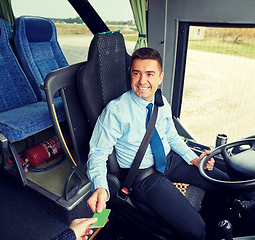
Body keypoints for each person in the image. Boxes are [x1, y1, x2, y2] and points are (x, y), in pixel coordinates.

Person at [86, 47, 228, 240]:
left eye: (149, 74)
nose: (142, 81)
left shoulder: (162, 102)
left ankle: (216, 227)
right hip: (144, 176)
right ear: (131, 75)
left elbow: (171, 135)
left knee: (223, 183)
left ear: (160, 77)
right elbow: (97, 153)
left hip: (170, 160)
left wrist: (193, 158)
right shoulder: (116, 111)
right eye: (136, 73)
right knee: (195, 229)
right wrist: (100, 186)